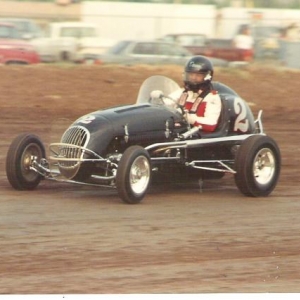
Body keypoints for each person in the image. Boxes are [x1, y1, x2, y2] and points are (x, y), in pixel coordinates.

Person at [152, 55, 222, 134]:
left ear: (207, 77)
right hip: (180, 132)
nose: (193, 78)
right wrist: (157, 100)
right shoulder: (183, 92)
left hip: (197, 137)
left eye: (198, 75)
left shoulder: (212, 97)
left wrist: (190, 118)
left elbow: (211, 124)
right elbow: (167, 102)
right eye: (191, 75)